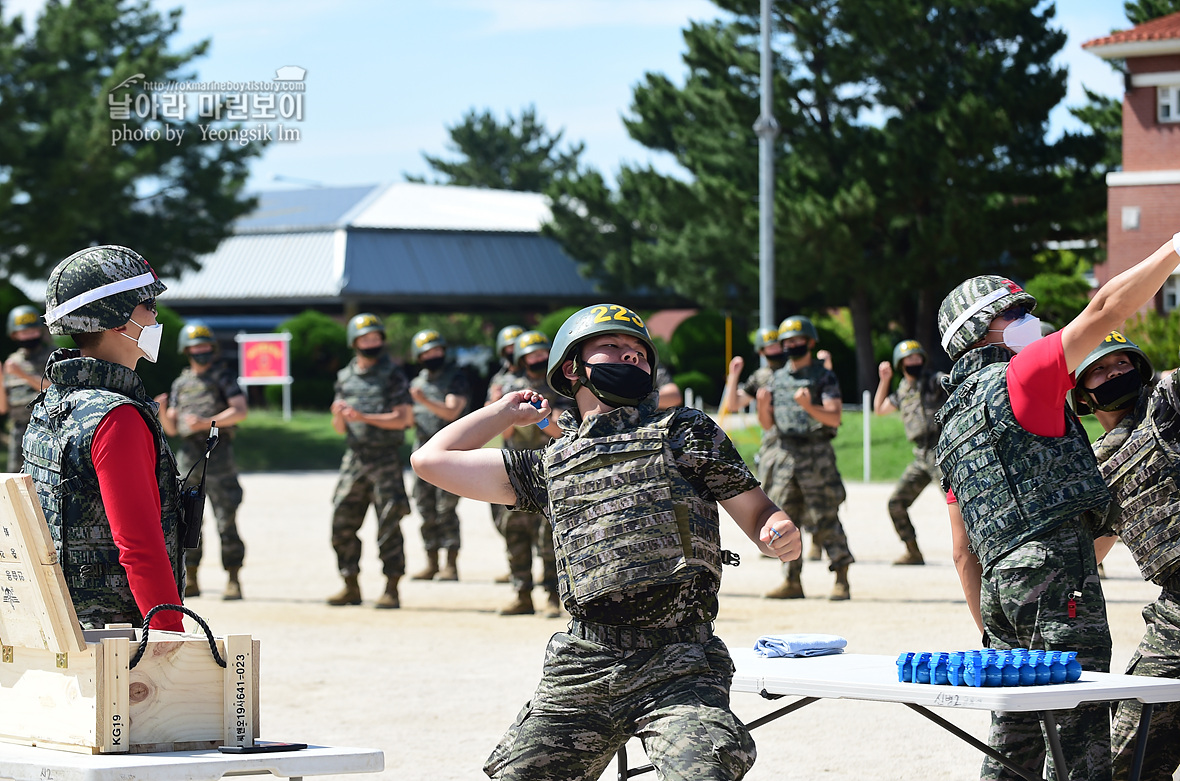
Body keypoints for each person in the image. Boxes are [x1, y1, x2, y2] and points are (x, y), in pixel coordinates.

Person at [410, 302, 801, 781]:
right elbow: (430, 460)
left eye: (639, 352)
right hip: (587, 663)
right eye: (612, 347)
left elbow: (759, 512)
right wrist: (502, 412)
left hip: (681, 661)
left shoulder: (685, 432)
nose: (630, 356)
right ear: (572, 368)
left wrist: (777, 531)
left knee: (701, 772)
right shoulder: (550, 464)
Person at [935, 233, 1180, 781]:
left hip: (1001, 600)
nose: (1030, 321)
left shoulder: (950, 426)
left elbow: (961, 552)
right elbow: (1107, 308)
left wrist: (992, 632)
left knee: (1014, 742)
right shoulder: (1024, 377)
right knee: (1078, 740)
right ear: (981, 331)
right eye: (1015, 313)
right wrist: (1173, 251)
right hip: (1058, 588)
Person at [21, 245, 184, 632]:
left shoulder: (51, 401)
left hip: (60, 623)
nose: (156, 315)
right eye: (148, 304)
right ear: (116, 320)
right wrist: (170, 639)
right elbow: (139, 547)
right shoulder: (118, 417)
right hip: (119, 636)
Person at [1072, 331, 1180, 781]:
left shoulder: (1168, 403)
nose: (1115, 372)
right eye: (1100, 368)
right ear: (1081, 394)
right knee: (1128, 760)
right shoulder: (1093, 470)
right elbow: (1083, 554)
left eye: (1123, 362)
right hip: (1177, 612)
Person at [760, 315, 855, 600]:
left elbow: (834, 416)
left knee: (825, 516)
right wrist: (763, 406)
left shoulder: (823, 376)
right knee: (784, 519)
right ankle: (792, 581)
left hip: (816, 454)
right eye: (787, 342)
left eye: (798, 340)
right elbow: (767, 425)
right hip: (786, 456)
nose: (792, 346)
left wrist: (808, 406)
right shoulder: (776, 378)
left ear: (810, 342)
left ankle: (841, 578)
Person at [154, 321, 248, 600]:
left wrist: (207, 423)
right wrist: (163, 414)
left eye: (205, 346)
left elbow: (240, 410)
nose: (201, 351)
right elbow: (172, 430)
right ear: (187, 350)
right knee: (187, 520)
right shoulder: (181, 383)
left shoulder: (223, 377)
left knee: (225, 519)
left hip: (218, 457)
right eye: (195, 347)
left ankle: (233, 578)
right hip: (188, 460)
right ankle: (190, 577)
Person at [327, 313, 415, 609]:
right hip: (355, 458)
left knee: (388, 525)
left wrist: (364, 417)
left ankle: (392, 587)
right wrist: (340, 415)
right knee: (342, 521)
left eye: (377, 338)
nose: (372, 344)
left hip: (385, 459)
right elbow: (339, 429)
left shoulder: (392, 374)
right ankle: (350, 583)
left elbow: (404, 419)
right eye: (366, 339)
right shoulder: (345, 376)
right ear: (355, 342)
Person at [496, 329, 568, 618]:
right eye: (531, 354)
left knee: (550, 537)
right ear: (519, 358)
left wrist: (538, 418)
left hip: (549, 466)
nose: (537, 359)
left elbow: (561, 430)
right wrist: (506, 412)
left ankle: (552, 595)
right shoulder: (510, 386)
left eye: (541, 353)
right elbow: (505, 429)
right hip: (516, 467)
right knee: (515, 533)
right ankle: (522, 593)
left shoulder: (558, 385)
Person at [871, 339, 946, 566]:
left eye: (917, 358)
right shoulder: (902, 389)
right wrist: (884, 381)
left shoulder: (932, 381)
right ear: (900, 363)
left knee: (959, 505)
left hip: (940, 450)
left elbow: (949, 383)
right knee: (896, 503)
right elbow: (880, 409)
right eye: (909, 359)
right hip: (921, 455)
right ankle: (913, 551)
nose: (915, 362)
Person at [409, 328, 469, 581]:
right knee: (425, 507)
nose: (434, 355)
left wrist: (423, 401)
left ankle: (451, 565)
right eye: (428, 352)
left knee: (447, 509)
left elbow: (451, 412)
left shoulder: (455, 378)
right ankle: (431, 560)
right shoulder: (416, 383)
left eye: (437, 350)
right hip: (422, 453)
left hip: (449, 454)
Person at [486, 324, 525, 584]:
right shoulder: (498, 379)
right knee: (503, 517)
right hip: (508, 454)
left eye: (517, 347)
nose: (513, 352)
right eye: (508, 348)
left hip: (532, 451)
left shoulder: (534, 377)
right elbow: (488, 415)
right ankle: (516, 567)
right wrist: (494, 401)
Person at [4, 305, 54, 472]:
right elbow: (3, 408)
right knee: (15, 479)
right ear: (14, 334)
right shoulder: (12, 361)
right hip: (19, 430)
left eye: (33, 330)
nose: (29, 335)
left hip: (48, 428)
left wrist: (22, 374)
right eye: (24, 332)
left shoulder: (53, 355)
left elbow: (56, 388)